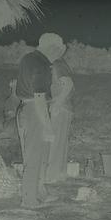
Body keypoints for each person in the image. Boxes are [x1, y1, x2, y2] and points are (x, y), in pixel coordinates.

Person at [14, 33, 65, 207]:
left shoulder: (29, 58)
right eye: (59, 48)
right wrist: (48, 126)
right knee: (35, 156)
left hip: (27, 108)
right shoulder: (42, 65)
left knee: (38, 155)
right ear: (51, 47)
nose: (60, 52)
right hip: (35, 110)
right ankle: (29, 199)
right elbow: (39, 98)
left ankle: (37, 193)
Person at [47, 46, 74, 184]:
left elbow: (68, 84)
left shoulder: (57, 64)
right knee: (61, 141)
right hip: (65, 108)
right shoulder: (61, 63)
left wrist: (57, 103)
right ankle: (59, 174)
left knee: (55, 141)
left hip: (61, 108)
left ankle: (52, 175)